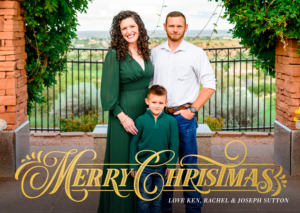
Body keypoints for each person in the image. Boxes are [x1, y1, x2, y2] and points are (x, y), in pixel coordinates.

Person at [150, 11, 217, 213]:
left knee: (189, 169)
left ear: (185, 28)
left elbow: (210, 84)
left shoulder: (196, 53)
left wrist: (193, 110)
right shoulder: (155, 53)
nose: (175, 29)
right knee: (162, 169)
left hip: (184, 119)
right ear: (165, 27)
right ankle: (164, 210)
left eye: (179, 26)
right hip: (160, 119)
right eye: (171, 26)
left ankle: (193, 210)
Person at [97, 10, 153, 213]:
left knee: (142, 162)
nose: (129, 31)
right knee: (122, 164)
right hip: (124, 116)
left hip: (144, 114)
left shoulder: (146, 51)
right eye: (124, 28)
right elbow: (108, 94)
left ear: (139, 27)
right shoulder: (114, 55)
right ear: (119, 32)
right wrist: (123, 118)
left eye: (131, 26)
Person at [129, 85, 179, 213]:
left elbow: (174, 144)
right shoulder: (140, 120)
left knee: (158, 199)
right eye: (154, 102)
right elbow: (134, 144)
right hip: (144, 168)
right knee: (144, 199)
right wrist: (133, 165)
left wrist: (171, 165)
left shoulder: (171, 122)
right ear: (147, 102)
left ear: (166, 103)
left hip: (162, 168)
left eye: (161, 103)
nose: (157, 106)